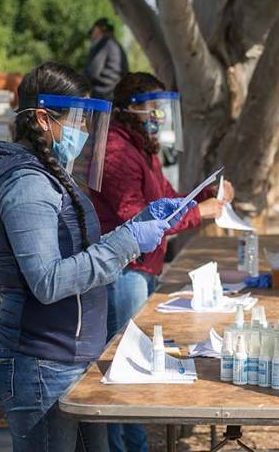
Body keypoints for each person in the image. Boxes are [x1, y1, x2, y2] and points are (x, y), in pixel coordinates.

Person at [0, 62, 192, 451]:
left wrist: (139, 222)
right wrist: (127, 240)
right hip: (40, 362)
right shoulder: (26, 185)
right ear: (43, 118)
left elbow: (81, 253)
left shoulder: (52, 174)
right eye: (77, 119)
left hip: (71, 359)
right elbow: (49, 281)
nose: (85, 130)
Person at [89, 71, 234, 452]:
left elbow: (171, 200)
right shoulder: (119, 151)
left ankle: (135, 445)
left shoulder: (144, 150)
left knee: (136, 365)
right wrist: (198, 213)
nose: (158, 118)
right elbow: (136, 217)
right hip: (126, 272)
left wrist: (206, 196)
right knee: (125, 370)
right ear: (128, 111)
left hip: (143, 270)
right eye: (151, 110)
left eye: (161, 110)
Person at [84, 18, 129, 100]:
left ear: (98, 30)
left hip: (101, 95)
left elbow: (92, 72)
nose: (92, 35)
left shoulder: (104, 43)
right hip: (115, 95)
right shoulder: (118, 47)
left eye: (93, 31)